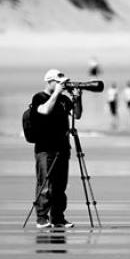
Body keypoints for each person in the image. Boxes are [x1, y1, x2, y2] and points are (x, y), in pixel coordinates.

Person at [30, 69, 82, 229]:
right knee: (45, 183)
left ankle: (58, 217)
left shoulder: (64, 100)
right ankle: (41, 218)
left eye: (63, 83)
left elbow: (77, 115)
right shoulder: (39, 98)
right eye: (59, 83)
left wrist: (78, 99)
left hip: (63, 147)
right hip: (45, 148)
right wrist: (56, 93)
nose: (63, 86)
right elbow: (44, 110)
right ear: (50, 81)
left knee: (60, 185)